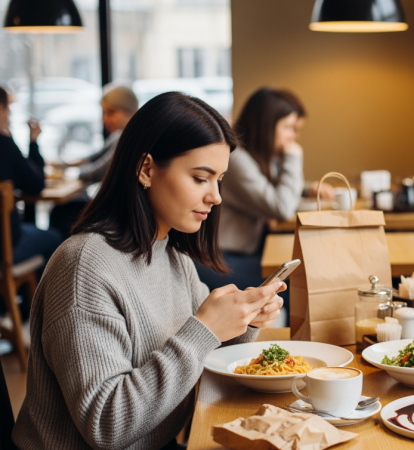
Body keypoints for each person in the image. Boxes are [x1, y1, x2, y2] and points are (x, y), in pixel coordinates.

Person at [12, 92, 285, 449]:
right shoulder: (84, 268)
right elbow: (107, 425)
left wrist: (244, 320)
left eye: (219, 179)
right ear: (146, 169)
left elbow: (205, 353)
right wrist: (204, 330)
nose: (216, 197)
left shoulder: (173, 258)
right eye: (201, 178)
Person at [194, 88, 330, 324]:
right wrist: (294, 158)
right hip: (219, 258)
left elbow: (270, 192)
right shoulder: (236, 160)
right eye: (288, 128)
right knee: (298, 284)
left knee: (303, 276)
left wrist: (306, 188)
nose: (293, 137)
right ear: (267, 126)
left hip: (245, 252)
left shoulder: (259, 157)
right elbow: (280, 205)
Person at [48, 84, 139, 237]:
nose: (105, 120)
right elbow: (92, 158)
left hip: (118, 214)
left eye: (111, 112)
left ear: (129, 111)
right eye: (104, 113)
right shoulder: (121, 136)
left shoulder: (126, 139)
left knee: (61, 213)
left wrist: (69, 173)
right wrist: (66, 165)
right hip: (118, 209)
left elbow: (95, 172)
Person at [0, 86, 63, 279]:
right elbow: (35, 185)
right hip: (5, 249)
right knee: (56, 239)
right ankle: (35, 307)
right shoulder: (4, 144)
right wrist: (33, 141)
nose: (9, 116)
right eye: (8, 108)